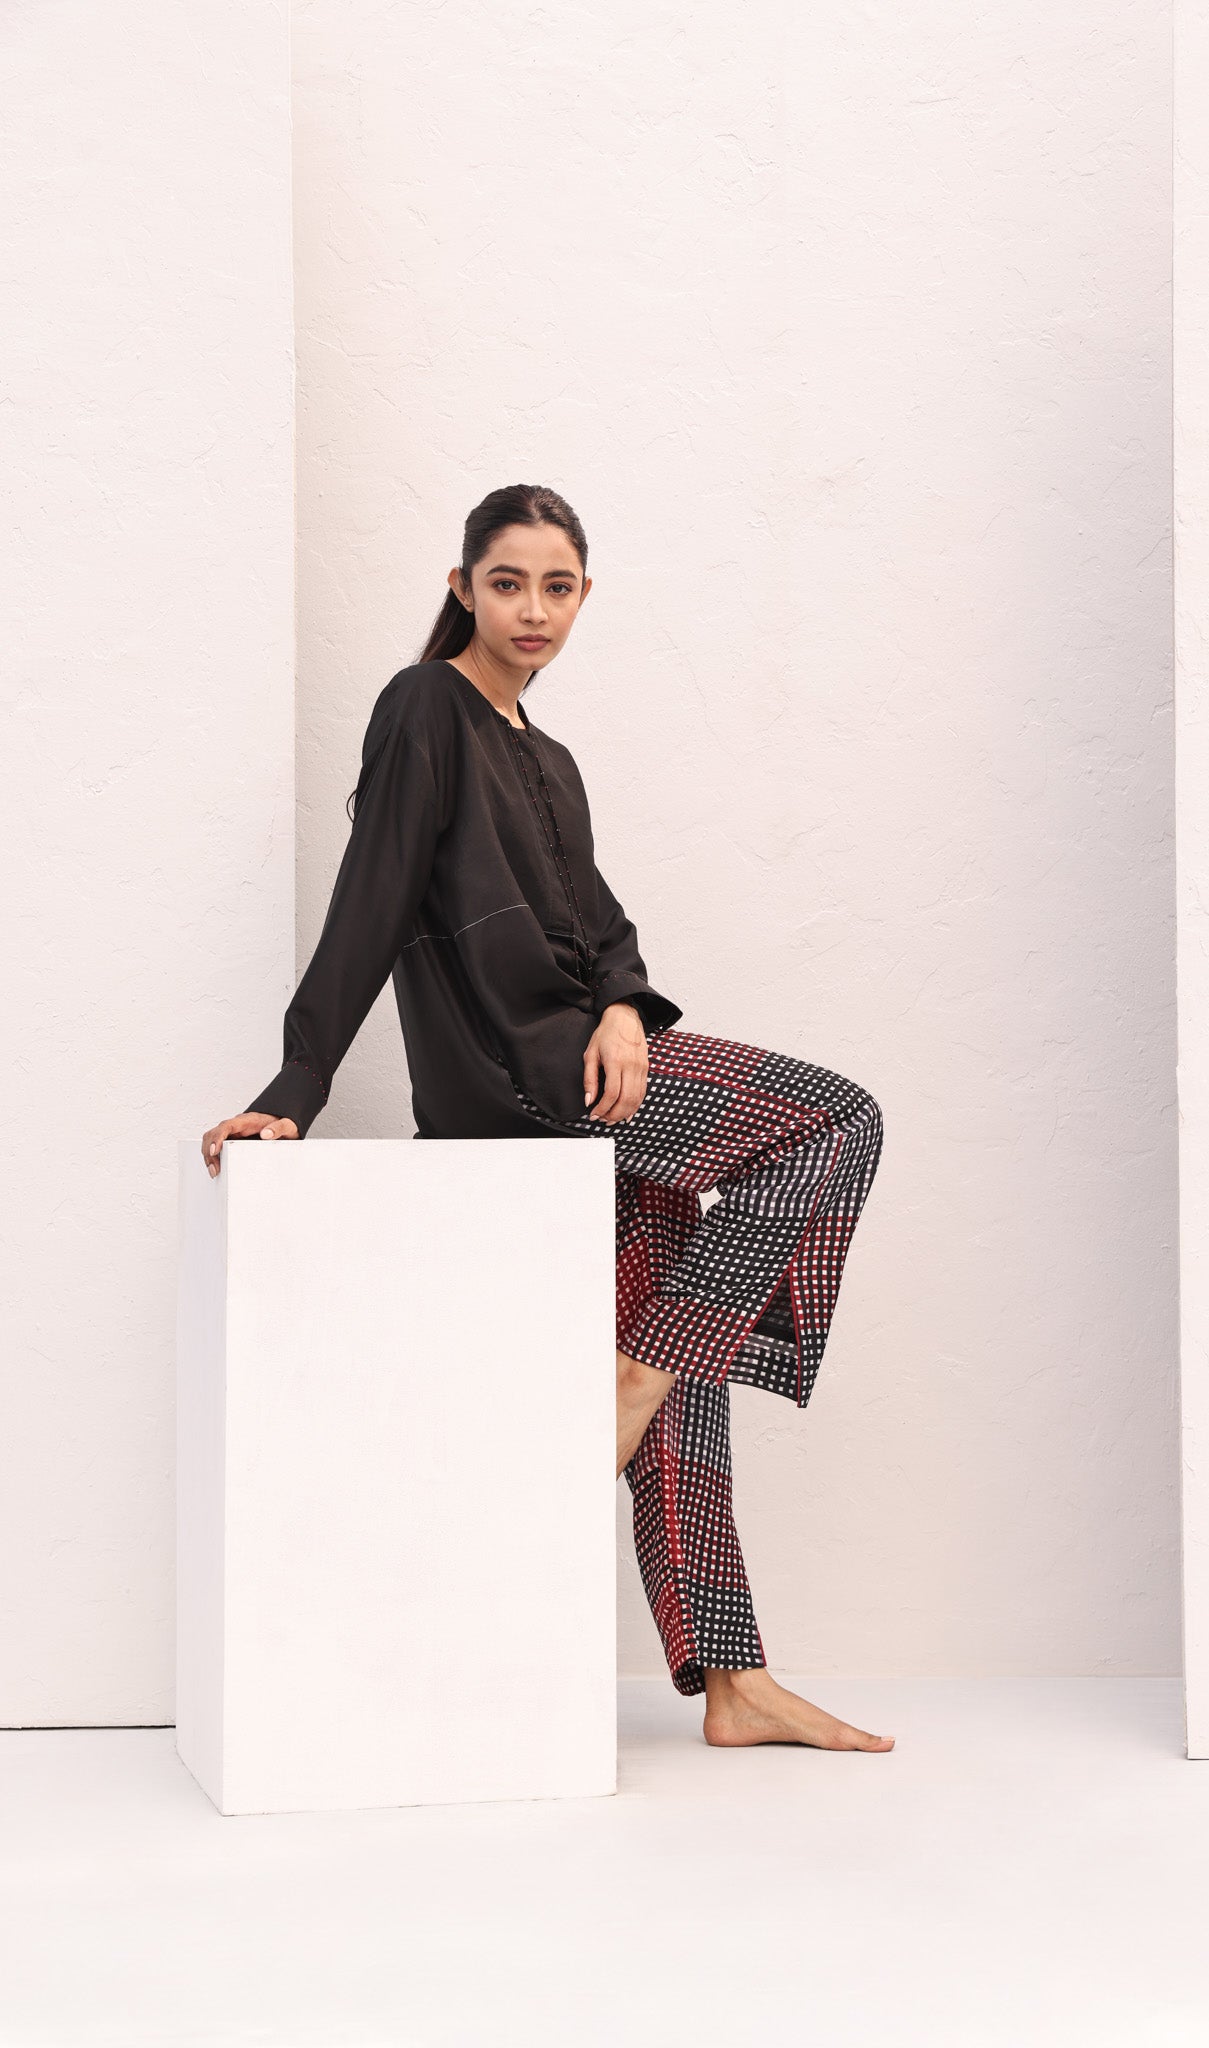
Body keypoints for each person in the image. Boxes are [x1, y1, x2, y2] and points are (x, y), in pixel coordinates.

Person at [201, 483, 891, 1753]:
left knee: (685, 1327)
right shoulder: (425, 706)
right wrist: (294, 1086)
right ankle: (632, 1375)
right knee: (833, 1120)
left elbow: (602, 926)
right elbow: (370, 895)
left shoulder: (551, 759)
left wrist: (624, 1008)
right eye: (507, 582)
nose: (532, 608)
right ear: (462, 586)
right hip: (515, 1076)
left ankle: (732, 1680)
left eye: (556, 586)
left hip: (588, 1064)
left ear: (583, 597)